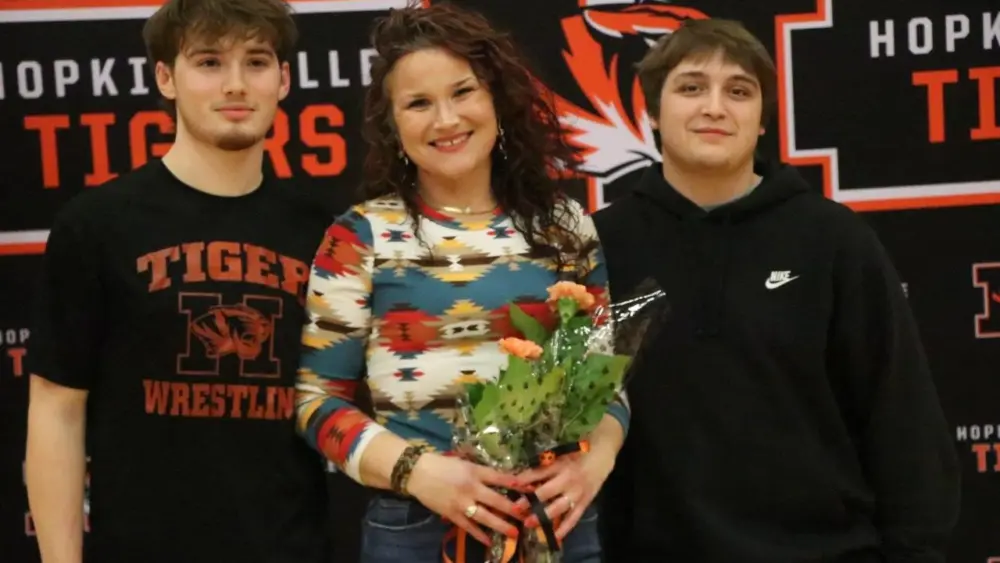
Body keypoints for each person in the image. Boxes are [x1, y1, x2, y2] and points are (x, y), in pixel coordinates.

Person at [593, 18, 962, 563]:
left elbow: (903, 423)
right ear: (652, 110)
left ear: (762, 118)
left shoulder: (834, 240)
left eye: (739, 91)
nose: (715, 107)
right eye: (691, 87)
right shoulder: (599, 247)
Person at [293, 4, 629, 563]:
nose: (445, 119)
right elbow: (317, 403)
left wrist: (593, 463)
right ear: (393, 125)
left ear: (497, 100)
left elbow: (605, 385)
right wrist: (418, 471)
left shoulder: (565, 227)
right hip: (417, 531)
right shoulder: (361, 236)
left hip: (554, 524)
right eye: (418, 103)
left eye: (463, 92)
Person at [23, 1, 335, 562]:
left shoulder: (326, 232)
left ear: (284, 79)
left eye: (256, 61)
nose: (236, 84)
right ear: (166, 78)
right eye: (209, 62)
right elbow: (56, 407)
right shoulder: (97, 224)